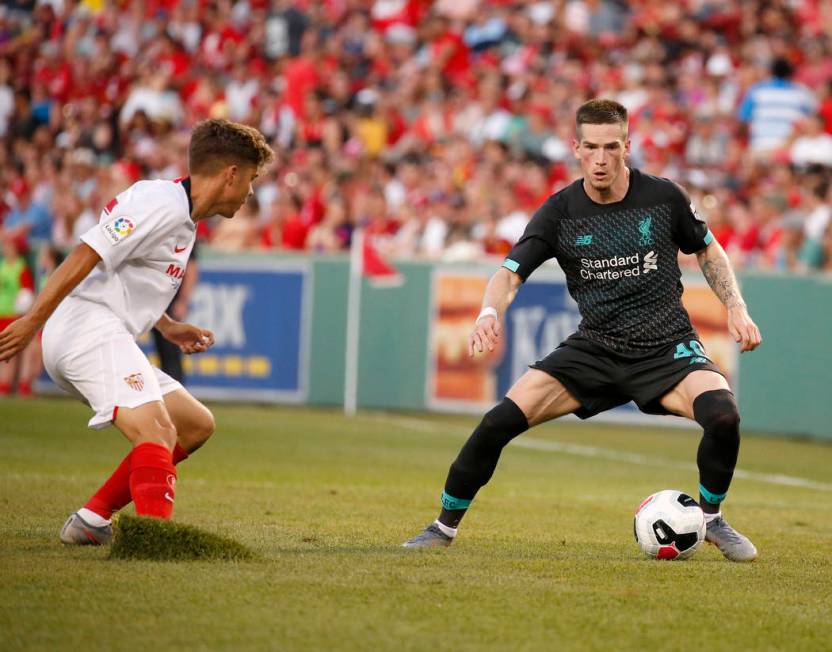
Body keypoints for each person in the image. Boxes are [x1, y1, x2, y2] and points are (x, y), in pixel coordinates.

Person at [402, 99, 763, 562]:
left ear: (627, 146)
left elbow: (710, 252)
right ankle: (442, 527)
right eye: (591, 147)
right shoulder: (560, 212)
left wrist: (736, 306)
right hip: (596, 349)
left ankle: (711, 519)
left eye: (611, 147)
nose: (600, 158)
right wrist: (488, 315)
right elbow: (509, 274)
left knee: (723, 415)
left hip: (666, 346)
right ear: (575, 148)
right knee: (498, 422)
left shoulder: (663, 197)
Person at [0, 119, 274, 545]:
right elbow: (87, 253)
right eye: (252, 180)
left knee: (194, 424)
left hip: (103, 329)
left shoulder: (183, 215)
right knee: (157, 430)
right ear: (230, 174)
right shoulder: (161, 203)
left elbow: (121, 274)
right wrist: (33, 320)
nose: (252, 192)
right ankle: (156, 543)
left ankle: (91, 520)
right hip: (84, 328)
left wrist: (167, 325)